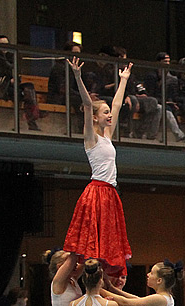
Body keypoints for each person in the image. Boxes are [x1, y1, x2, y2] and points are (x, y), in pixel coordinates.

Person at [63, 56, 132, 277]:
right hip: (97, 191)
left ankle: (101, 278)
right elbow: (85, 103)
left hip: (110, 192)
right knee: (93, 242)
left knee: (108, 241)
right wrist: (77, 76)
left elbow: (118, 104)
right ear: (94, 118)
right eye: (105, 113)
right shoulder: (90, 138)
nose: (110, 114)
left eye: (108, 112)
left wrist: (123, 80)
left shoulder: (108, 136)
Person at [0, 35, 41, 130]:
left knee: (29, 87)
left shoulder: (11, 59)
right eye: (2, 44)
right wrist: (9, 80)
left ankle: (33, 116)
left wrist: (15, 80)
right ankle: (29, 120)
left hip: (11, 86)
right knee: (19, 94)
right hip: (1, 87)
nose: (5, 46)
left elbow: (16, 75)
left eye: (6, 44)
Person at [143, 52, 185, 143]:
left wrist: (170, 102)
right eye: (165, 62)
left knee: (167, 110)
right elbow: (150, 94)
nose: (167, 64)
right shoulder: (152, 76)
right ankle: (151, 136)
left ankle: (180, 136)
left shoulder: (171, 78)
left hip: (165, 103)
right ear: (158, 62)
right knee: (161, 108)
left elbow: (171, 95)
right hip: (151, 101)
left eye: (168, 62)